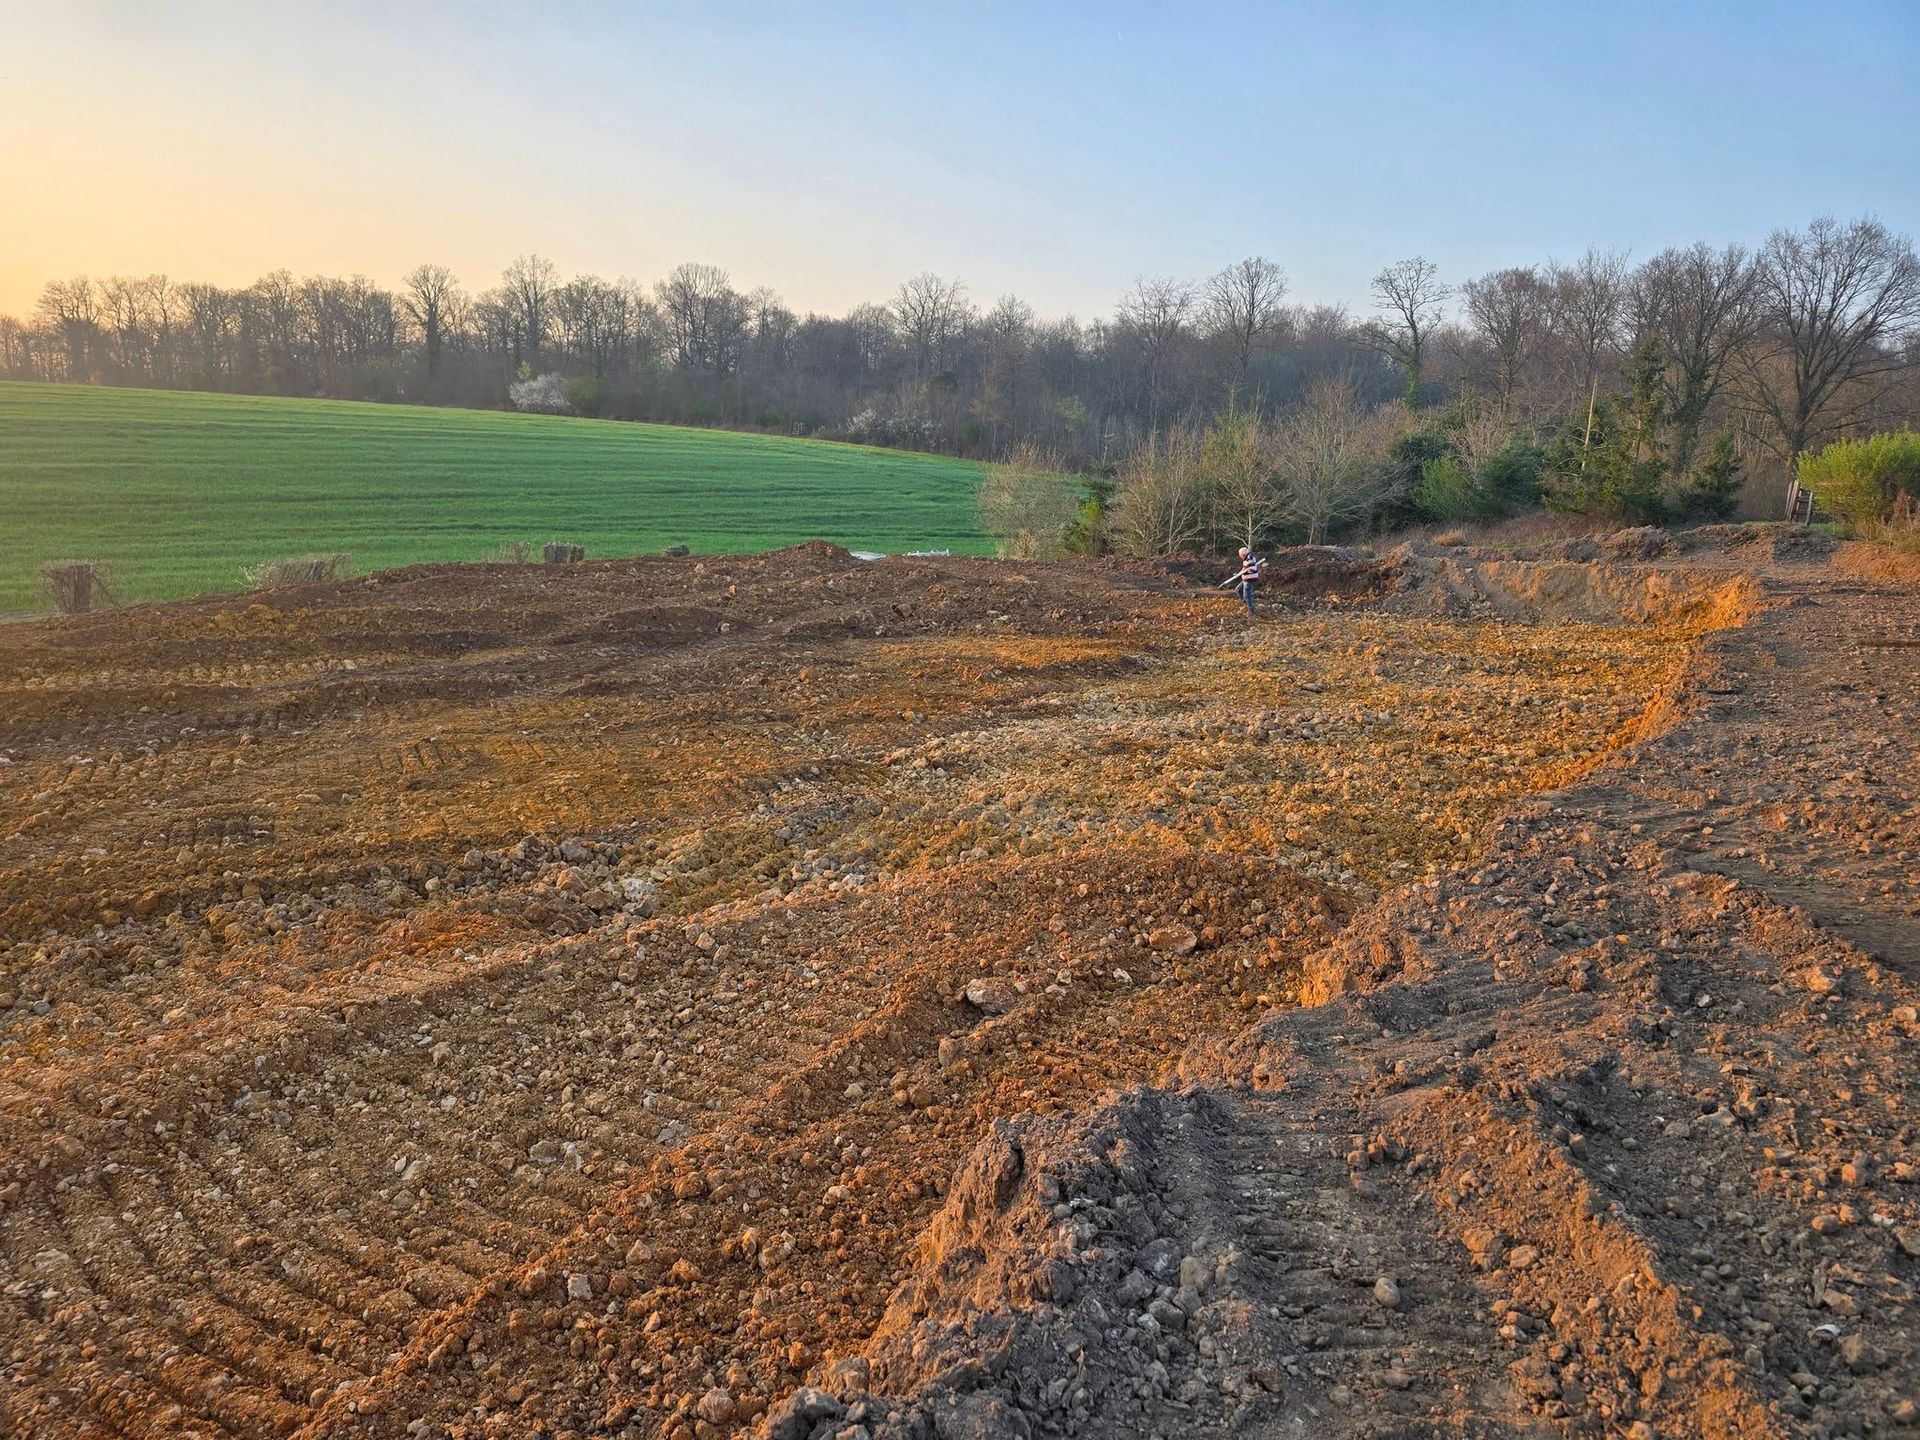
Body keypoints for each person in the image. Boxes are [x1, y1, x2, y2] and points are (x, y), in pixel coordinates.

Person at [1219, 546, 1266, 617]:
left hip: (1249, 580)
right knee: (1238, 589)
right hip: (1246, 579)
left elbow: (1251, 569)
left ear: (1243, 554)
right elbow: (1245, 569)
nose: (1240, 557)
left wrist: (1245, 571)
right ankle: (1247, 604)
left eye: (1240, 555)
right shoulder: (1247, 558)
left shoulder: (1249, 559)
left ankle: (1251, 611)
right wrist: (1239, 573)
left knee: (1247, 595)